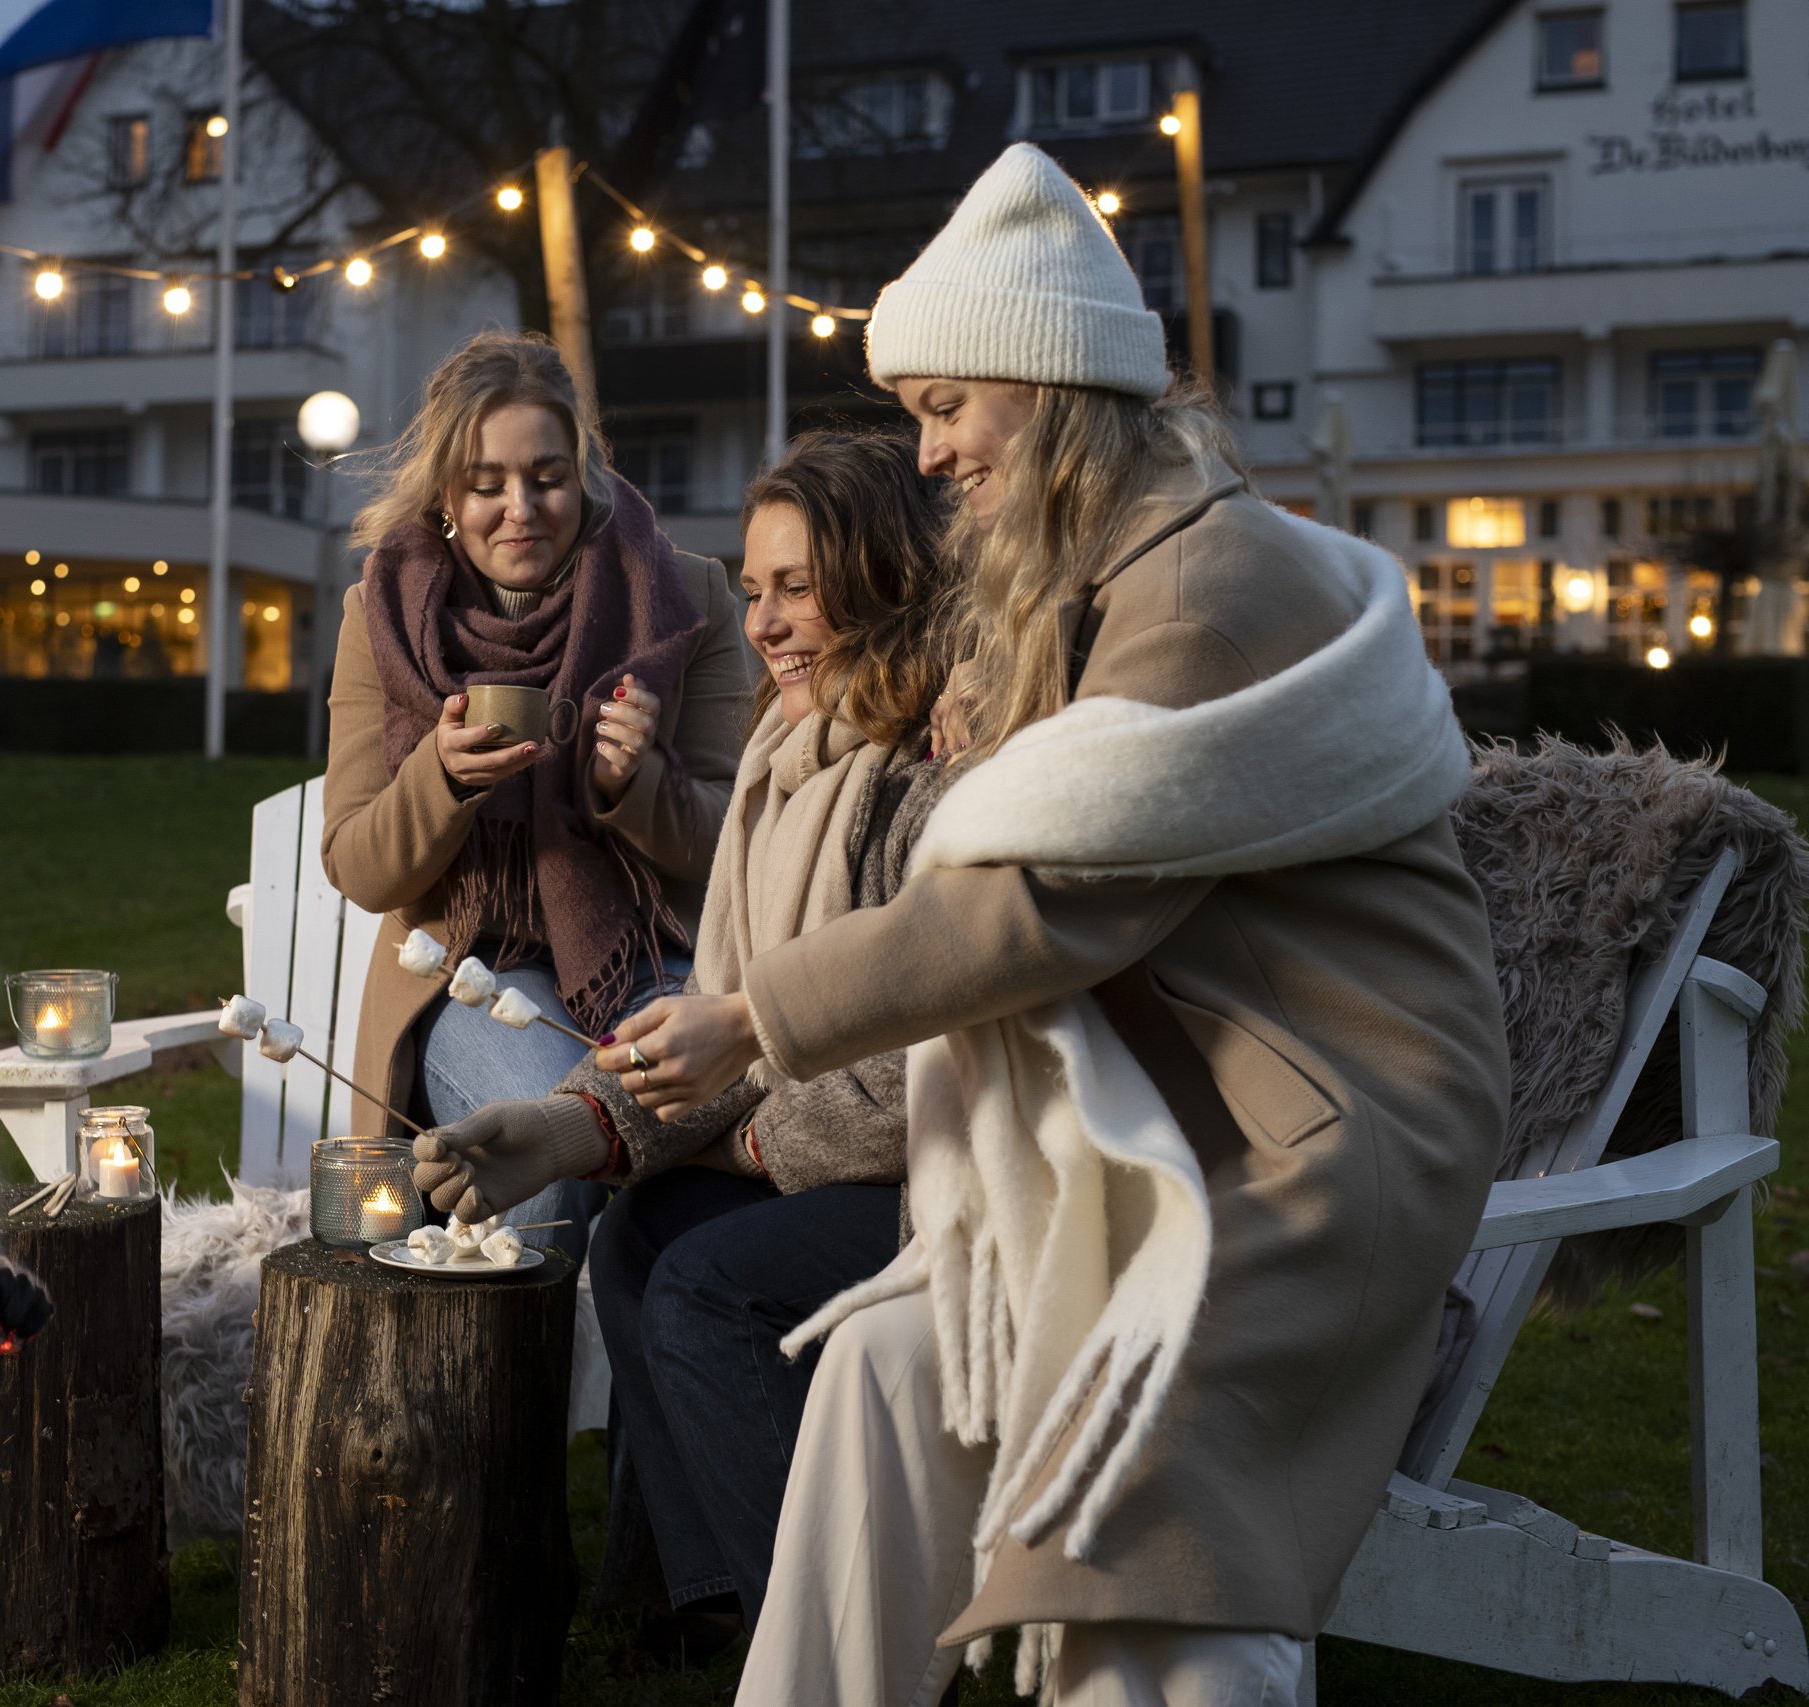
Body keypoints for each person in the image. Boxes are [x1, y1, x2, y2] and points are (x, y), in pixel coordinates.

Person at [598, 143, 1511, 1706]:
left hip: (1316, 1143)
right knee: (887, 1368)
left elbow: (1043, 895)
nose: (932, 453)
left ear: (1056, 383)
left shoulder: (1205, 591)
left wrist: (749, 1015)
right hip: (1161, 1116)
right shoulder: (1083, 584)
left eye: (951, 406)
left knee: (1140, 1470)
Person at [410, 432, 956, 1649]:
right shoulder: (788, 766)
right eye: (754, 589)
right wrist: (561, 1128)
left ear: (883, 577)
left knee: (711, 1281)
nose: (763, 623)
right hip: (858, 1154)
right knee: (639, 1240)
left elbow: (923, 1078)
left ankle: (820, 1649)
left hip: (966, 1180)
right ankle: (711, 1595)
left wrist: (748, 1151)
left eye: (799, 587)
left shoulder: (932, 781)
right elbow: (730, 1031)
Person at [320, 330, 754, 1251]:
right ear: (447, 492)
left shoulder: (683, 598)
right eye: (487, 484)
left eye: (547, 477)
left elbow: (735, 844)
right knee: (551, 1140)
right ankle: (522, 1390)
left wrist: (637, 786)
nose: (520, 509)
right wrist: (440, 780)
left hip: (653, 960)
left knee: (710, 1148)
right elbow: (359, 866)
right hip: (474, 976)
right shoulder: (384, 614)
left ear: (583, 472)